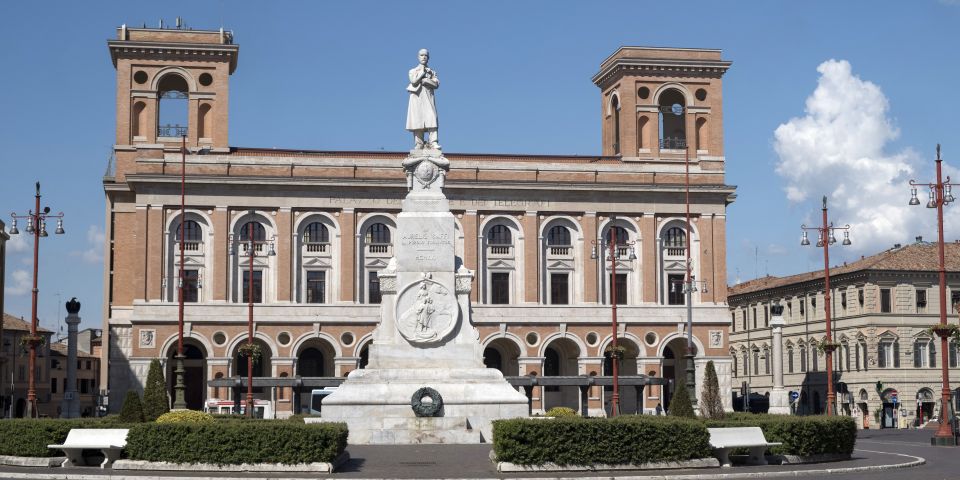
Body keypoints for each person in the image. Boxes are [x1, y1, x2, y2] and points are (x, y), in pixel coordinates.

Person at [406, 49, 440, 150]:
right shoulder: (412, 71)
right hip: (416, 98)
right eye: (421, 55)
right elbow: (414, 81)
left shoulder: (432, 72)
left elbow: (436, 84)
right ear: (418, 57)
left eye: (426, 55)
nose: (424, 57)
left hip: (428, 97)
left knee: (432, 118)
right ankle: (418, 143)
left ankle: (433, 142)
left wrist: (426, 80)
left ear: (428, 58)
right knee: (417, 120)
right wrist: (422, 73)